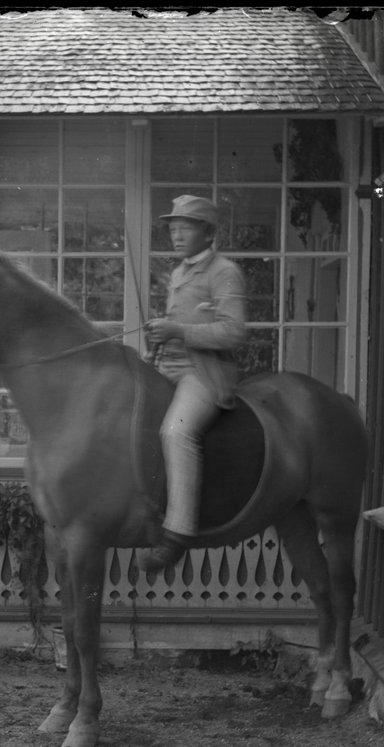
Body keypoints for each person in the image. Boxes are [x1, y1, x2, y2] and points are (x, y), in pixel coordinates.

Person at [140, 195, 247, 571]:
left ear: (208, 232)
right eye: (173, 228)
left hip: (203, 374)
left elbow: (234, 332)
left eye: (185, 227)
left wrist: (178, 330)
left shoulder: (224, 272)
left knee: (176, 431)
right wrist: (160, 336)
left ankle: (178, 534)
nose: (177, 235)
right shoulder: (178, 274)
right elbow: (178, 326)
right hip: (165, 367)